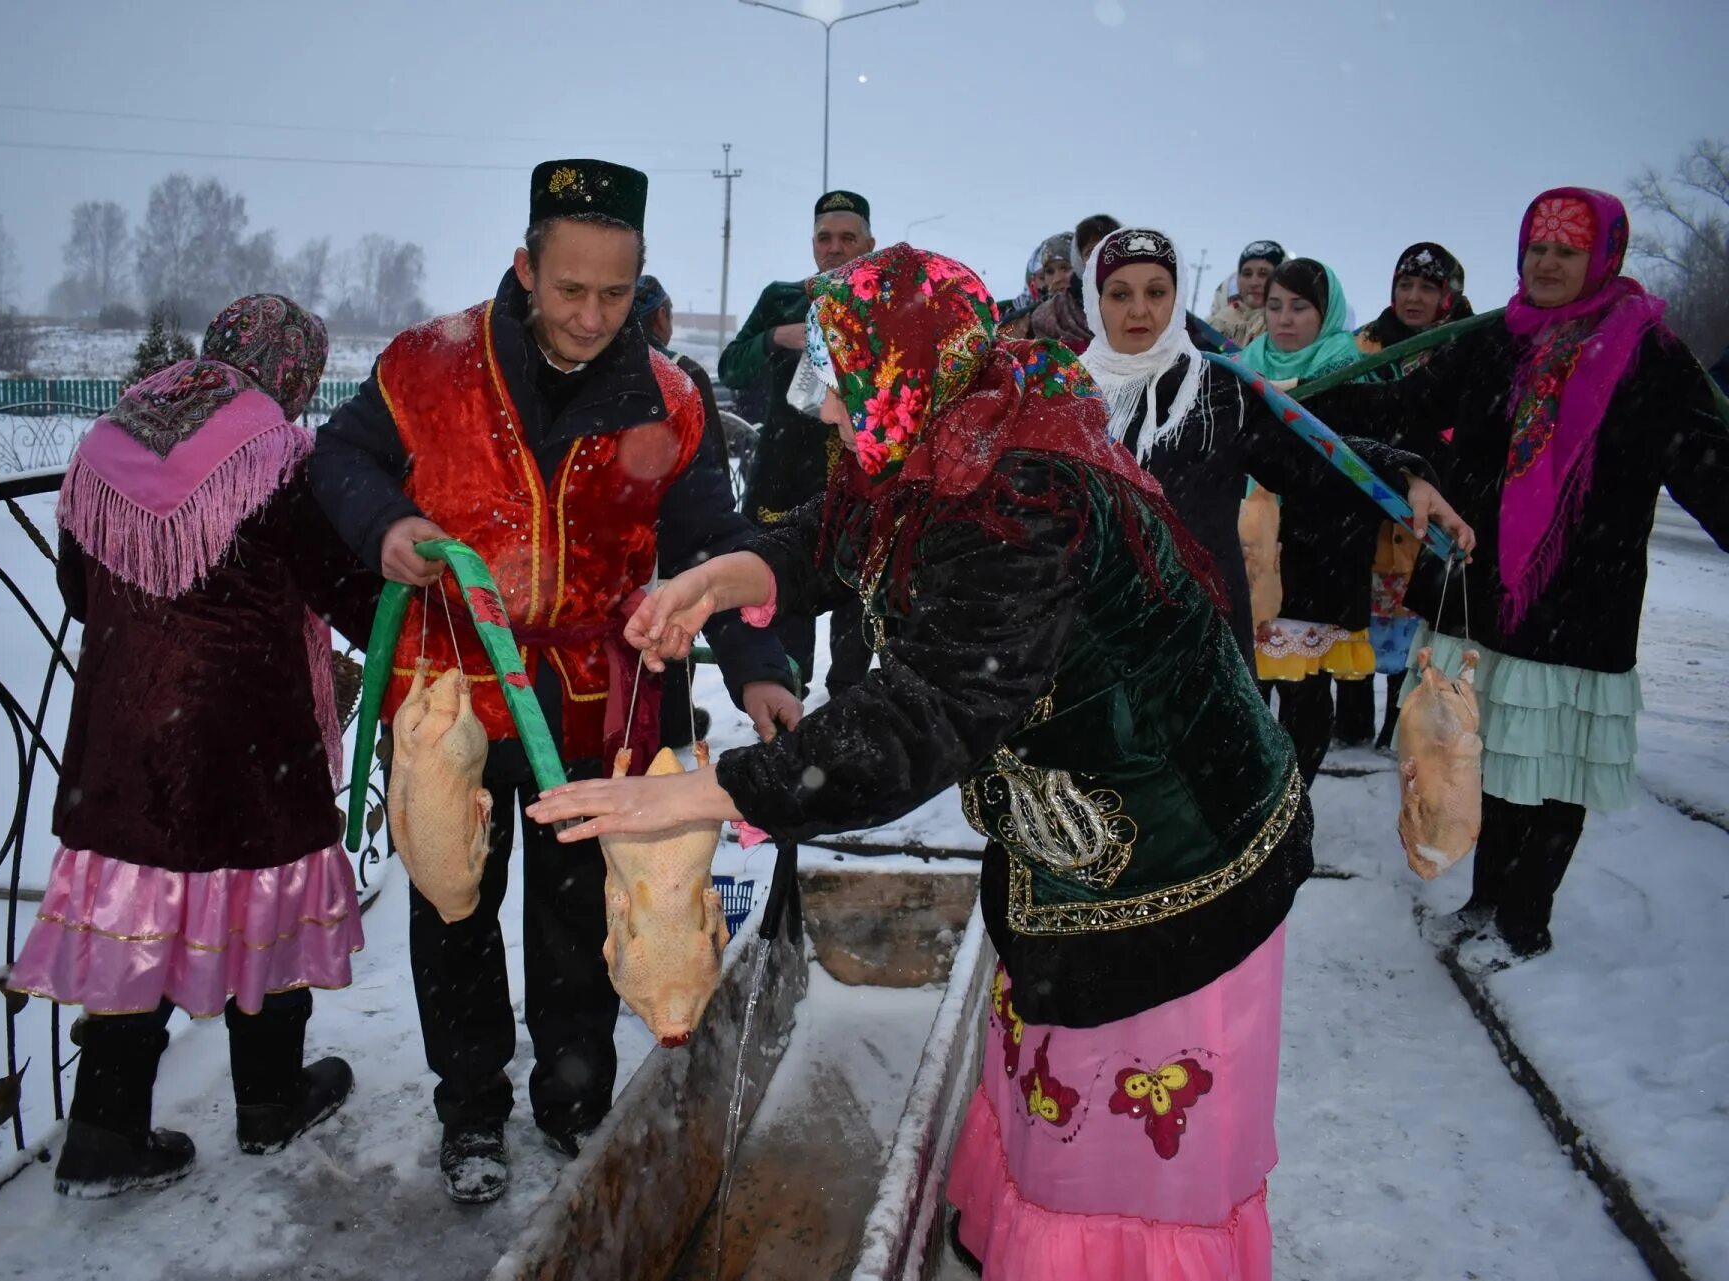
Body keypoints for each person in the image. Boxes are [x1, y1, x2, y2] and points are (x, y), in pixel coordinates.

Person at [529, 244, 1318, 1277]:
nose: (827, 412)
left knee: (1127, 1108)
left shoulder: (1022, 495)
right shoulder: (951, 425)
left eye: (840, 384)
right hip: (1078, 824)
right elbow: (841, 527)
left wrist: (716, 792)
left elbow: (924, 713)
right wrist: (730, 573)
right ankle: (1037, 1229)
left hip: (1177, 844)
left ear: (906, 371)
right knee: (1054, 1068)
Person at [308, 159, 800, 1203]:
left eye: (615, 293)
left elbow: (714, 545)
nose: (590, 315)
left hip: (596, 697)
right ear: (526, 267)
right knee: (452, 906)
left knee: (584, 910)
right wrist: (386, 522)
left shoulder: (672, 398)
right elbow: (337, 460)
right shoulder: (428, 365)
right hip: (453, 686)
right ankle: (470, 1109)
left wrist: (759, 668)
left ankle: (575, 1101)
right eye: (570, 288)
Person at [10, 294, 378, 1197]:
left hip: (125, 740)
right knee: (266, 894)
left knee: (138, 910)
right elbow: (344, 587)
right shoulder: (279, 456)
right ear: (293, 371)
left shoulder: (107, 444)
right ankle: (269, 1099)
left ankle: (104, 1130)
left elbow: (77, 588)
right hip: (249, 738)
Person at [1312, 187, 1729, 965]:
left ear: (1604, 258)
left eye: (1567, 251)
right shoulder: (1495, 339)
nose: (1546, 264)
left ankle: (1525, 922)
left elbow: (1707, 466)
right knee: (1493, 758)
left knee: (1556, 766)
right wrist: (1292, 406)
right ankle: (1485, 901)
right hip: (1485, 589)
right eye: (1537, 248)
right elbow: (1405, 404)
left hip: (1584, 602)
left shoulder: (1649, 354)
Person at [1079, 227, 1463, 669]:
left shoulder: (1217, 389)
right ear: (1096, 301)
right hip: (1087, 638)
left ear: (1176, 297)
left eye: (1156, 292)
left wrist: (1405, 478)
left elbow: (1312, 456)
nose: (1139, 309)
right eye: (1119, 294)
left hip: (1197, 638)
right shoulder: (1061, 393)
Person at [719, 190, 879, 696]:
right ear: (812, 243)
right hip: (783, 479)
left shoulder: (884, 303)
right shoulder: (782, 298)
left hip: (861, 479)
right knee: (782, 595)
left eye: (847, 237)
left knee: (859, 604)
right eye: (824, 237)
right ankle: (785, 707)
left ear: (869, 244)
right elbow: (730, 367)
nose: (835, 248)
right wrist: (775, 338)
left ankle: (851, 709)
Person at [1238, 258, 1381, 786]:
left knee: (1303, 694)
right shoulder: (1244, 368)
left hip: (1319, 557)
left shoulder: (1349, 373)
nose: (1285, 319)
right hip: (1250, 553)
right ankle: (1249, 796)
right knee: (1245, 688)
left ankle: (1293, 797)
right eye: (1275, 306)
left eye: (1300, 307)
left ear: (1327, 312)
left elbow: (1362, 463)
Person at [1347, 242, 1473, 748]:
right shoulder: (1365, 344)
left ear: (1448, 296)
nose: (1413, 297)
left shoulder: (1463, 348)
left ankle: (1400, 725)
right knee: (1359, 608)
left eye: (1427, 287)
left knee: (1414, 613)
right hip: (1368, 492)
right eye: (1405, 284)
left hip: (1436, 499)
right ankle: (1352, 722)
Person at [634, 273, 719, 747]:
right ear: (662, 317)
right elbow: (712, 465)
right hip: (675, 535)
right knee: (672, 634)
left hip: (624, 539)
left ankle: (639, 725)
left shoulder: (601, 369)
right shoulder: (682, 374)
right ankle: (673, 724)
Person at [1030, 213, 1120, 353]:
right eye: (1049, 271)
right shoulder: (1043, 317)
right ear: (1079, 261)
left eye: (1065, 268)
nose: (1057, 279)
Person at [1207, 239, 1286, 347]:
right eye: (1247, 274)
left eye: (1263, 274)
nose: (1254, 283)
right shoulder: (1217, 323)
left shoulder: (1290, 324)